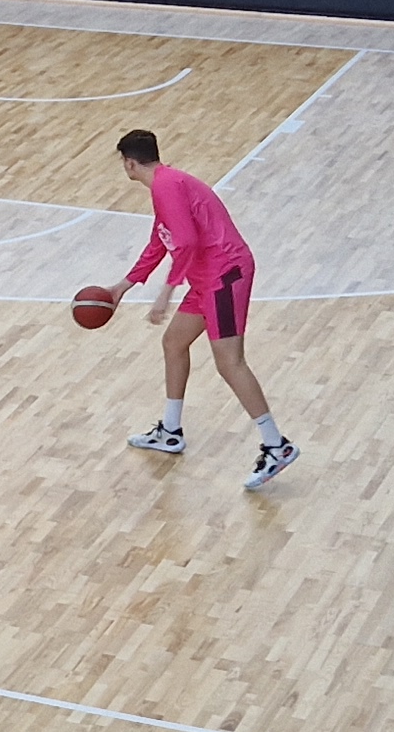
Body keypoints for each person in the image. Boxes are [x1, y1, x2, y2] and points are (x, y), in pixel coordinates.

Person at [90, 128, 295, 487]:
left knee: (230, 362)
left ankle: (277, 445)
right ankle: (171, 432)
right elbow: (160, 241)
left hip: (225, 274)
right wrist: (124, 285)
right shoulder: (166, 183)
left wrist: (167, 291)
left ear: (129, 163)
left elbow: (185, 242)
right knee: (174, 342)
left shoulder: (167, 187)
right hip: (207, 278)